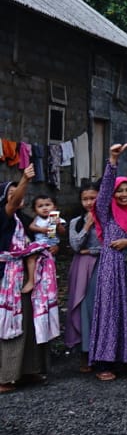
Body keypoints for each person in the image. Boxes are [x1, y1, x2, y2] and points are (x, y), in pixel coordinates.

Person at [89, 144, 127, 382]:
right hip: (112, 270)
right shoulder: (107, 213)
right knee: (111, 312)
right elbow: (103, 193)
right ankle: (106, 361)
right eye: (119, 191)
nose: (124, 194)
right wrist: (113, 160)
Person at [1, 165, 56, 393]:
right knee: (9, 325)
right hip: (7, 278)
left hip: (28, 276)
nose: (19, 196)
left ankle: (27, 370)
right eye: (13, 193)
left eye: (21, 191)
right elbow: (11, 204)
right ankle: (5, 376)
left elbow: (45, 236)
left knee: (29, 323)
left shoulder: (24, 219)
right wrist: (24, 178)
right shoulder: (3, 216)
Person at [66, 184, 101, 371]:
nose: (89, 203)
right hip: (81, 267)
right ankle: (84, 351)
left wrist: (92, 250)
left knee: (98, 307)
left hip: (101, 266)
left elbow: (109, 246)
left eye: (93, 198)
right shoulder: (76, 222)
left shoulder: (107, 219)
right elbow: (76, 246)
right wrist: (87, 225)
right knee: (81, 307)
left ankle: (100, 352)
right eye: (85, 199)